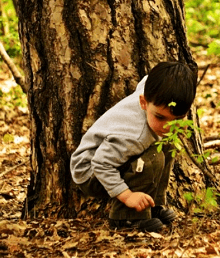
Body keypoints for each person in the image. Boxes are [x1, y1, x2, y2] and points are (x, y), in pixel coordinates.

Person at [70, 61, 197, 232]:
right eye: (160, 117)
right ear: (143, 102)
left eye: (177, 118)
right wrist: (127, 196)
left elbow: (145, 80)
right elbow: (101, 164)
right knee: (153, 158)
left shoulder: (151, 89)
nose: (167, 126)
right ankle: (126, 217)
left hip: (111, 157)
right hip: (90, 172)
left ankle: (153, 205)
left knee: (167, 144)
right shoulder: (135, 136)